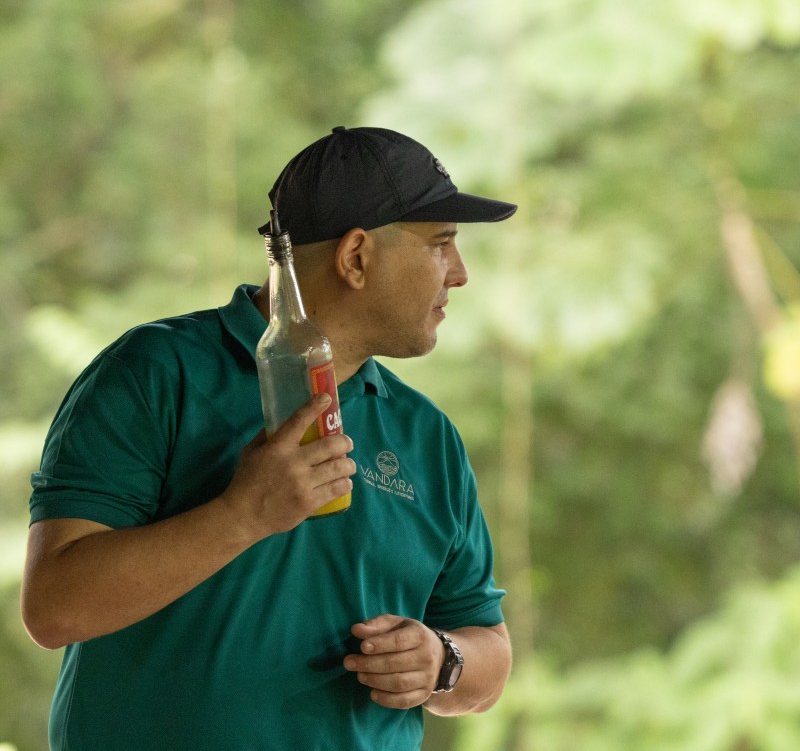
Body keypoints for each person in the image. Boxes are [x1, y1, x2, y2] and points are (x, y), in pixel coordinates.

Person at [21, 126, 517, 751]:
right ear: (356, 257)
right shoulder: (154, 372)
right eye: (441, 244)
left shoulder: (429, 436)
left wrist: (443, 660)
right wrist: (241, 515)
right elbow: (54, 609)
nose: (461, 273)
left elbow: (488, 652)